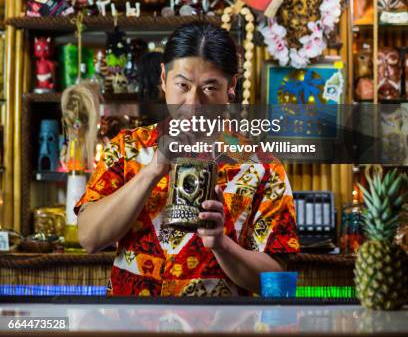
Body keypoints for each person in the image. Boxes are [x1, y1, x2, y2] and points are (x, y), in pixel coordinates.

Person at [75, 22, 299, 296]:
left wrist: (221, 244)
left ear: (231, 87)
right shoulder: (126, 148)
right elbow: (89, 238)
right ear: (163, 79)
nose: (193, 103)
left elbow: (275, 278)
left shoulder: (263, 167)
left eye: (208, 88)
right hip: (129, 324)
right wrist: (154, 169)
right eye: (182, 85)